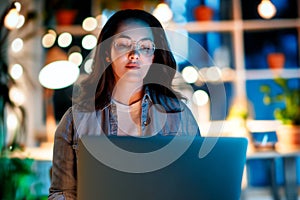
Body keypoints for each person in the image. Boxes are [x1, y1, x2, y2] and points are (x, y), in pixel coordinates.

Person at [48, 9, 200, 200]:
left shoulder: (179, 116)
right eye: (123, 45)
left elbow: (194, 187)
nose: (134, 54)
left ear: (153, 57)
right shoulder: (74, 121)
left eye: (145, 47)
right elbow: (61, 194)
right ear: (106, 54)